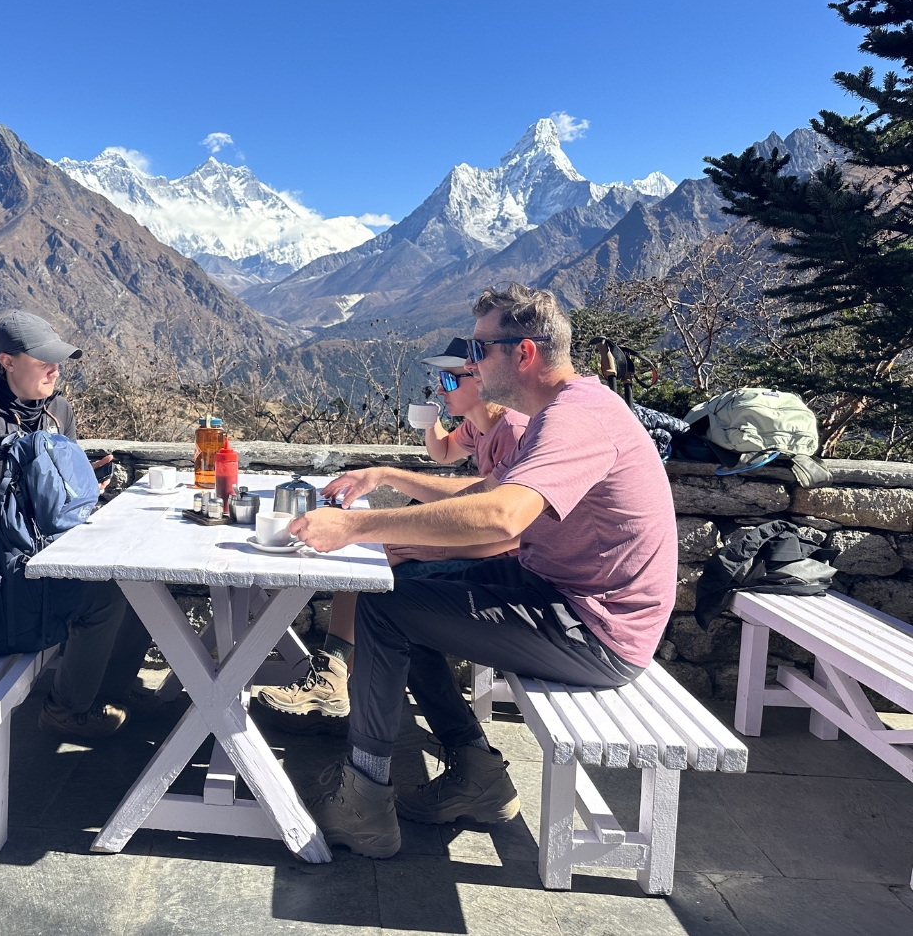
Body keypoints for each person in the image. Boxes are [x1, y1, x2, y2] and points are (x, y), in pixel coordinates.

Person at [289, 283, 677, 859]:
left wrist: (355, 527)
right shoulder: (557, 413)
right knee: (397, 594)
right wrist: (385, 484)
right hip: (554, 590)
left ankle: (364, 801)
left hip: (596, 629)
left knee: (385, 611)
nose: (469, 364)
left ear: (525, 353)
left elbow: (501, 517)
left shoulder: (576, 420)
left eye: (478, 350)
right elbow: (483, 492)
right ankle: (476, 774)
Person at [255, 338, 529, 732]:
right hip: (479, 548)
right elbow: (446, 457)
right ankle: (335, 678)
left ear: (481, 377)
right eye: (439, 380)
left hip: (500, 567)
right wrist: (428, 425)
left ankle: (336, 682)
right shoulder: (478, 426)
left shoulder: (514, 431)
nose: (440, 389)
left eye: (450, 380)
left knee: (372, 572)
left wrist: (439, 550)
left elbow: (517, 528)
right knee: (369, 557)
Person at [0, 311, 148, 740]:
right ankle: (65, 710)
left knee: (140, 585)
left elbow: (61, 496)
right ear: (7, 362)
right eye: (43, 361)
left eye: (57, 361)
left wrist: (84, 489)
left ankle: (108, 691)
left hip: (50, 553)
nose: (55, 370)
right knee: (105, 598)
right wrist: (41, 496)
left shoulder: (57, 410)